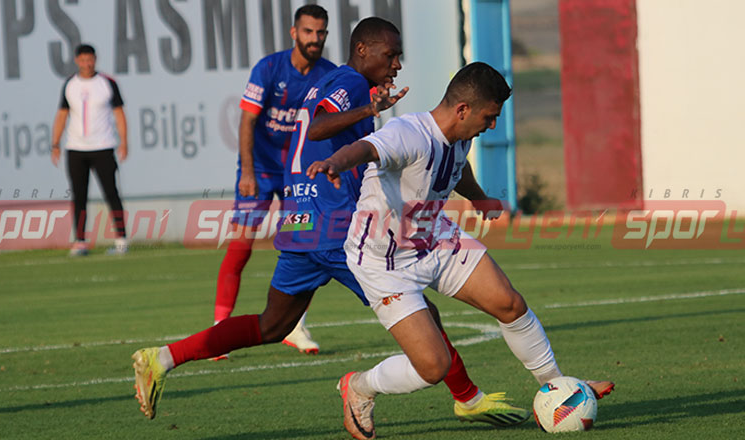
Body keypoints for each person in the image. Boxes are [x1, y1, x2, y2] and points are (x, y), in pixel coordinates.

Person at [130, 18, 531, 429]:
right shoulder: (353, 84)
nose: (396, 65)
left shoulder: (333, 80)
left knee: (273, 324)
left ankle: (162, 357)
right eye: (389, 55)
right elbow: (318, 127)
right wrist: (368, 109)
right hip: (340, 230)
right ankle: (465, 397)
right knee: (421, 312)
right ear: (363, 51)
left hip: (305, 222)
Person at [306, 62, 615, 440]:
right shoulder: (408, 133)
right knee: (433, 367)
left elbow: (457, 167)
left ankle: (559, 385)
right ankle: (360, 387)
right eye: (490, 116)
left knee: (509, 304)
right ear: (463, 110)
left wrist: (480, 198)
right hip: (383, 261)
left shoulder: (459, 135)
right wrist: (334, 163)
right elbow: (366, 148)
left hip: (434, 237)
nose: (492, 126)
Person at [212, 4, 337, 358]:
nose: (315, 39)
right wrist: (248, 172)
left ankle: (295, 326)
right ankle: (221, 329)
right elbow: (247, 121)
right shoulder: (269, 68)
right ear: (294, 33)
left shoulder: (328, 74)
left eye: (321, 33)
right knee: (241, 247)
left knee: (305, 246)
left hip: (299, 176)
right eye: (309, 32)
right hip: (262, 172)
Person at [51, 44, 129, 256]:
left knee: (111, 192)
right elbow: (62, 115)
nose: (87, 63)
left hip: (103, 146)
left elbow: (119, 113)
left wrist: (124, 141)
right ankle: (80, 240)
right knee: (79, 195)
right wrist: (55, 143)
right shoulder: (70, 85)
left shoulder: (107, 83)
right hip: (76, 148)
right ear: (77, 60)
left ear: (95, 59)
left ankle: (121, 239)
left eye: (90, 59)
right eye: (83, 60)